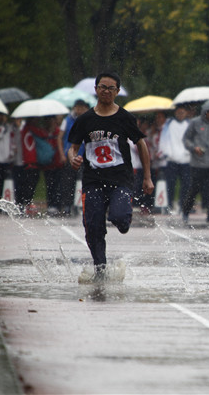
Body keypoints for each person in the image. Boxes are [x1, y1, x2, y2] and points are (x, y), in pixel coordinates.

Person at [67, 72, 154, 279]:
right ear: (96, 89)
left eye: (111, 88)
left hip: (120, 179)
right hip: (93, 180)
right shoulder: (85, 119)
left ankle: (123, 219)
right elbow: (73, 147)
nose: (106, 91)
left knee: (119, 218)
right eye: (102, 87)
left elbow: (141, 143)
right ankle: (100, 269)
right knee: (93, 226)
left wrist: (147, 176)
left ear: (117, 92)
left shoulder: (125, 118)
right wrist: (72, 158)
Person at [181, 100, 209, 224]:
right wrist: (194, 148)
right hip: (198, 162)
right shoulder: (195, 122)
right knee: (194, 189)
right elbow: (186, 139)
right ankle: (186, 212)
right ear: (204, 112)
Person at [57, 99, 89, 216]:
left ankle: (80, 204)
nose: (80, 110)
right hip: (70, 156)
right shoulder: (67, 120)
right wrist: (62, 154)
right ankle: (67, 205)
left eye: (82, 108)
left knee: (83, 181)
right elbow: (59, 137)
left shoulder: (88, 120)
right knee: (68, 182)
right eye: (78, 108)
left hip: (84, 156)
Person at [157, 104, 191, 213]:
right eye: (178, 112)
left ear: (186, 113)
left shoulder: (189, 124)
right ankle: (169, 205)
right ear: (175, 113)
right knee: (170, 184)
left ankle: (183, 206)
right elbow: (163, 140)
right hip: (172, 159)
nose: (180, 115)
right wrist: (165, 153)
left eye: (182, 113)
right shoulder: (169, 124)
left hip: (186, 159)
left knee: (186, 184)